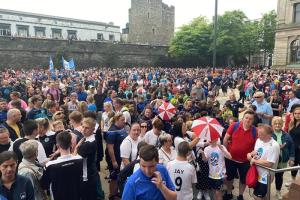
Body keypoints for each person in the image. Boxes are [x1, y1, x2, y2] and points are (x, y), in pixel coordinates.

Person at [223, 110, 257, 200]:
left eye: (250, 119)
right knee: (229, 178)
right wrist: (226, 152)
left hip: (245, 161)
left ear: (253, 120)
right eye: (246, 118)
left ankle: (240, 195)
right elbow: (226, 139)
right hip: (231, 159)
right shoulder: (234, 125)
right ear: (242, 118)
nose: (248, 120)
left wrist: (252, 155)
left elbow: (256, 147)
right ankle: (229, 192)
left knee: (243, 180)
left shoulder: (255, 131)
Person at [41, 131, 84, 200]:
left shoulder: (49, 165)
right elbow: (84, 179)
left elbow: (44, 185)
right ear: (71, 144)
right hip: (77, 196)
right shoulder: (81, 159)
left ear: (57, 146)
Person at [247, 124, 280, 200]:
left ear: (269, 135)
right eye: (258, 133)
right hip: (256, 173)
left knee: (256, 196)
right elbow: (256, 151)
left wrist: (254, 160)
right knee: (261, 196)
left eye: (261, 134)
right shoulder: (259, 140)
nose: (258, 136)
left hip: (265, 176)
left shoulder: (274, 145)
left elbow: (269, 164)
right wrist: (250, 154)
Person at [73, 117, 98, 200]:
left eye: (87, 128)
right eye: (83, 126)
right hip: (90, 172)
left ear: (93, 129)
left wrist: (76, 147)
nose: (83, 129)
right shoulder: (85, 138)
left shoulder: (88, 144)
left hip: (86, 176)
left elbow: (74, 158)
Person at [200, 136, 232, 200]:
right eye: (209, 138)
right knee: (214, 191)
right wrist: (203, 154)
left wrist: (222, 149)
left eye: (212, 137)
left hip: (220, 174)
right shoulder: (207, 148)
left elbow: (230, 157)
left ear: (217, 138)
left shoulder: (221, 147)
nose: (210, 139)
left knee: (218, 192)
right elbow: (205, 160)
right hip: (211, 174)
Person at [271, 117, 295, 199]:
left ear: (282, 125)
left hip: (282, 161)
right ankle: (264, 191)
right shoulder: (269, 134)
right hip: (271, 160)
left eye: (279, 123)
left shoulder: (287, 135)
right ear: (272, 125)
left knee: (279, 177)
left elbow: (292, 147)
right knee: (268, 176)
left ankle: (278, 191)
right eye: (275, 123)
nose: (277, 125)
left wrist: (292, 158)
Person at [106, 113, 127, 200]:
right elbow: (110, 147)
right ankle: (111, 195)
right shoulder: (112, 131)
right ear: (117, 120)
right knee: (114, 177)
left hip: (119, 156)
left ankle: (115, 193)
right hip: (114, 158)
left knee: (118, 176)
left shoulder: (121, 128)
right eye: (122, 120)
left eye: (124, 119)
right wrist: (114, 161)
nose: (124, 122)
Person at [288, 104, 300, 186]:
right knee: (293, 167)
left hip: (299, 149)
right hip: (293, 149)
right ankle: (293, 182)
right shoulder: (292, 122)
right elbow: (289, 135)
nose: (297, 115)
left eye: (299, 113)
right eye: (295, 113)